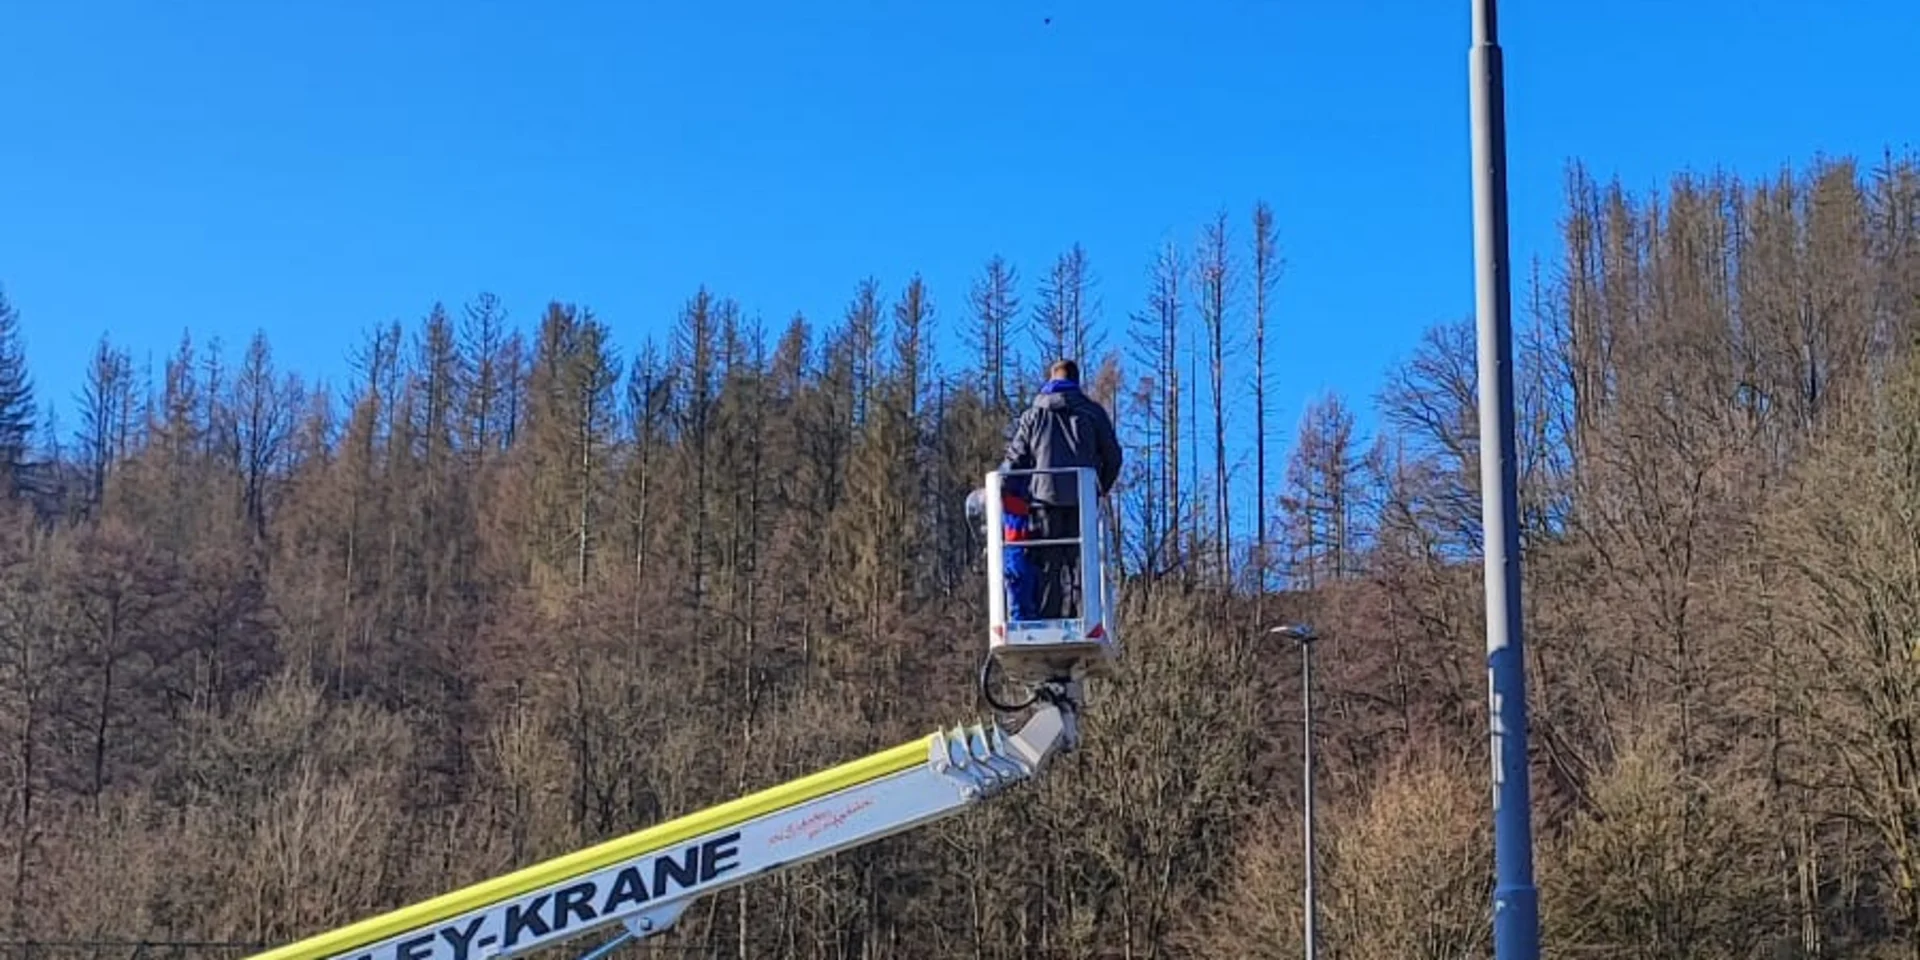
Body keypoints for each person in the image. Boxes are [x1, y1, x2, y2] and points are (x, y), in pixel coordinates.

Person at [1000, 359, 1122, 619]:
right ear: (1076, 382)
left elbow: (1015, 460)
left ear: (1050, 380)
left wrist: (1001, 490)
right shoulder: (1092, 413)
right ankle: (1083, 617)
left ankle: (1048, 618)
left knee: (1048, 567)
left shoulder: (1033, 415)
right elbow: (1112, 457)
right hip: (1082, 501)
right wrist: (1099, 489)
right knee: (1082, 566)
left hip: (1044, 500)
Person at [967, 485, 1037, 619]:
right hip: (1015, 549)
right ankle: (1022, 618)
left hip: (1015, 550)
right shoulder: (1011, 505)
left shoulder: (1010, 504)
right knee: (1019, 588)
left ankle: (1019, 620)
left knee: (1017, 587)